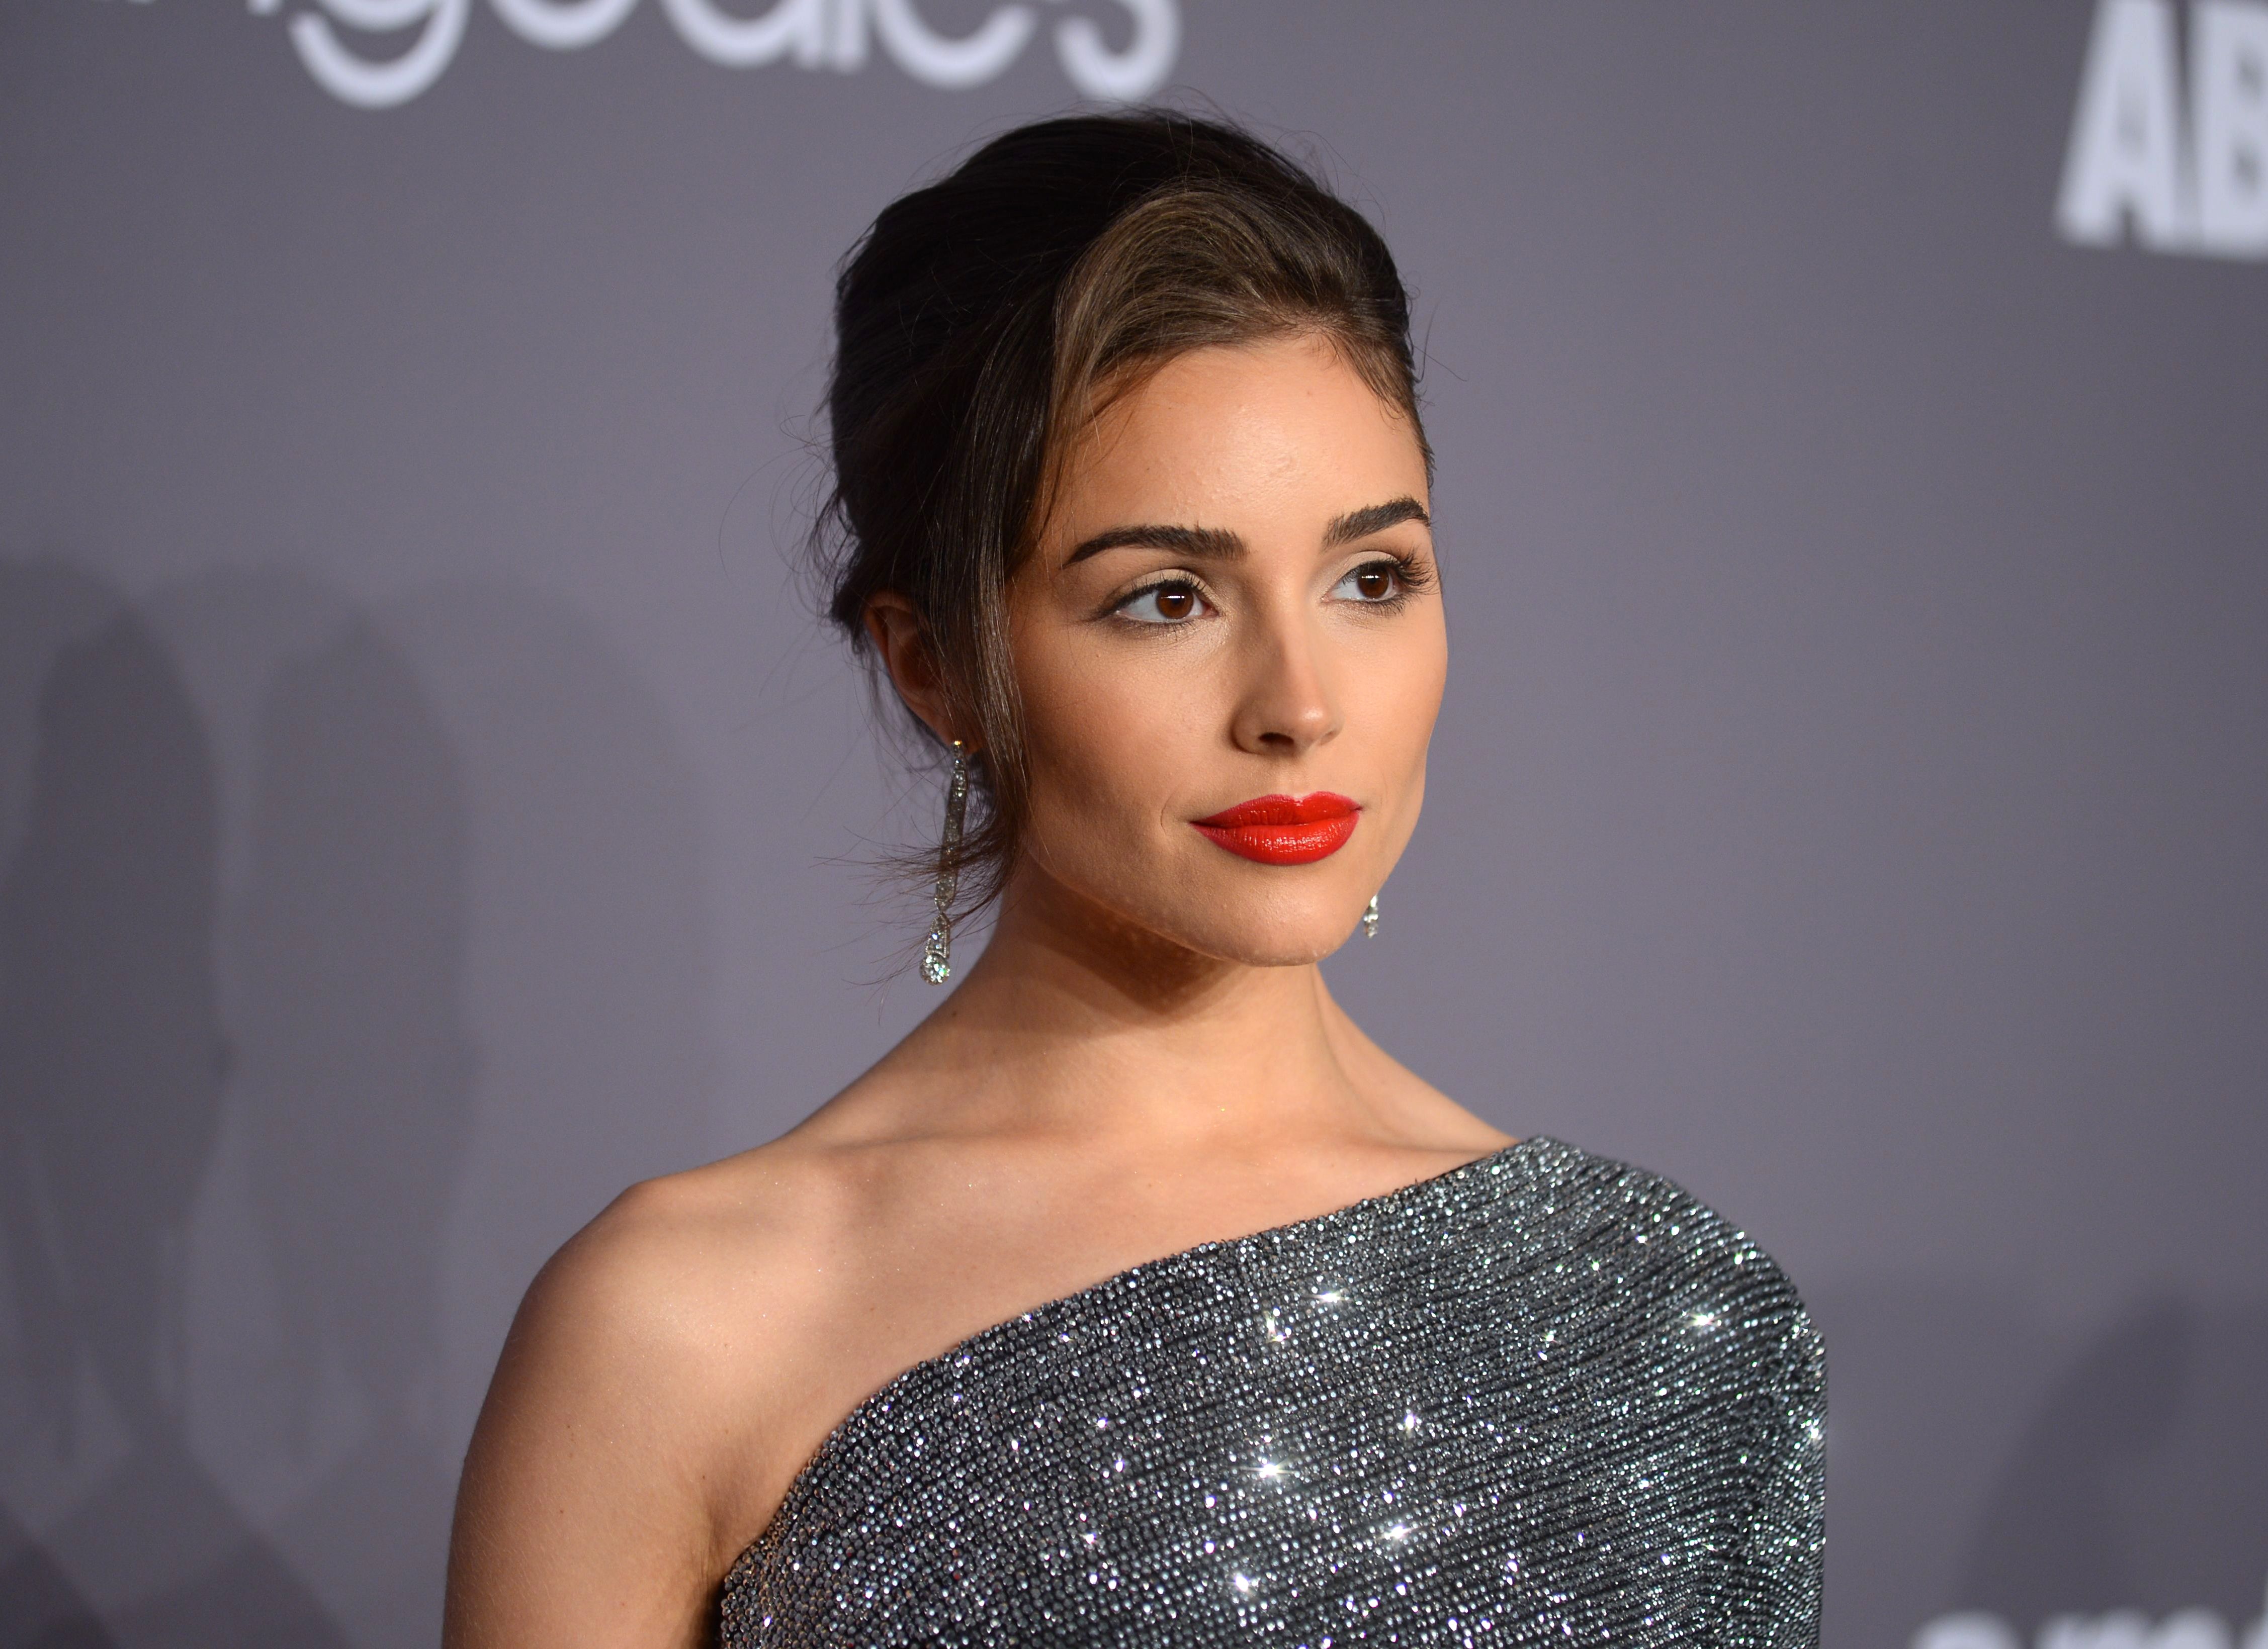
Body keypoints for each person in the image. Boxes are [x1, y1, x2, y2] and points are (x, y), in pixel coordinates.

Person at [443, 111, 1824, 1648]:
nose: (1300, 705)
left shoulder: (1660, 1316)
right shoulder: (681, 1327)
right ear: (936, 664)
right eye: (1168, 599)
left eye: (1372, 578)